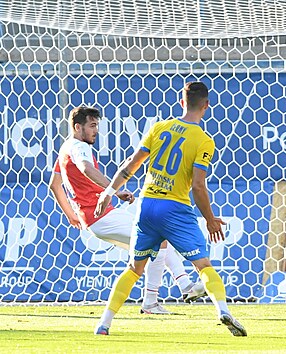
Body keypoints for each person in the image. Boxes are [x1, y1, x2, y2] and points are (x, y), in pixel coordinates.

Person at [93, 81, 246, 336]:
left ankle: (104, 323)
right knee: (203, 265)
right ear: (206, 106)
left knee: (134, 269)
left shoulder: (159, 127)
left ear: (181, 102)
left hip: (147, 205)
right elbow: (198, 186)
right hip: (175, 208)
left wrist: (108, 192)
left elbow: (131, 165)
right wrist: (209, 219)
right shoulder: (204, 140)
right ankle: (223, 311)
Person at [48, 106, 206, 314]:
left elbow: (54, 184)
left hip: (94, 217)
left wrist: (71, 215)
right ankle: (153, 301)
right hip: (101, 217)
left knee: (157, 239)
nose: (96, 131)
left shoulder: (65, 147)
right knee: (157, 241)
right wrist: (113, 190)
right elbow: (87, 169)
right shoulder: (79, 147)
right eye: (92, 126)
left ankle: (184, 285)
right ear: (78, 127)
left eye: (97, 126)